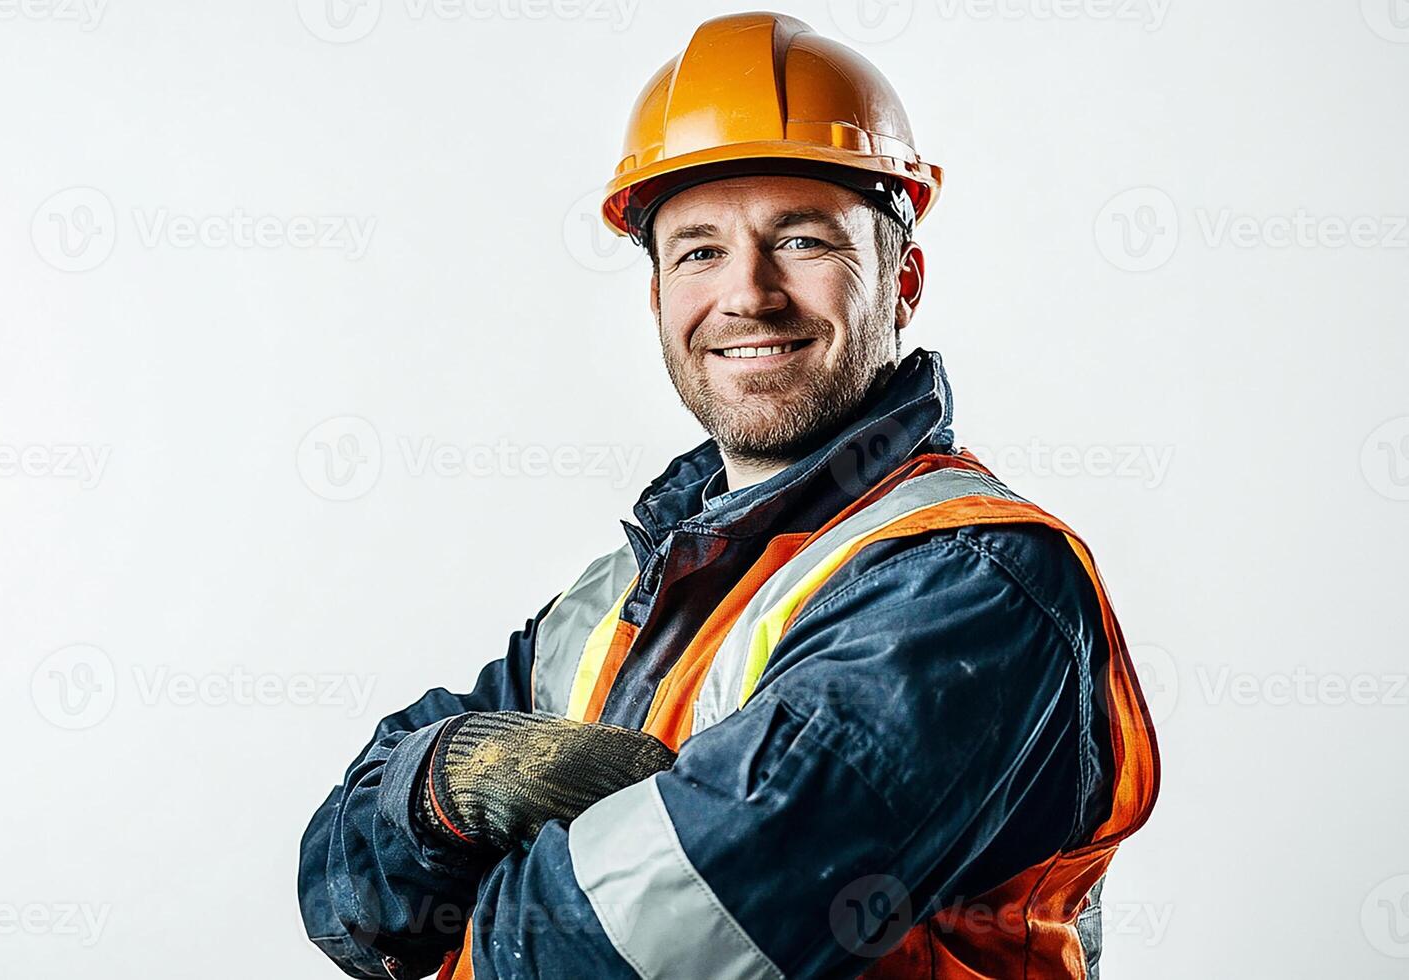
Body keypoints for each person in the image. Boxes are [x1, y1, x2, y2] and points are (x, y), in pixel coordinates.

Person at [298, 12, 1160, 979]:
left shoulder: (969, 584)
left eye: (800, 241)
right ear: (659, 297)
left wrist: (479, 883)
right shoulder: (624, 587)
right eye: (700, 250)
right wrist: (442, 778)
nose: (748, 294)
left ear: (902, 280)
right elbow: (346, 900)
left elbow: (632, 949)